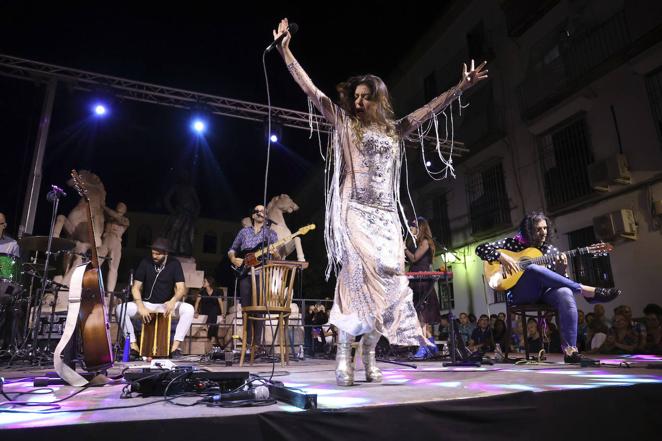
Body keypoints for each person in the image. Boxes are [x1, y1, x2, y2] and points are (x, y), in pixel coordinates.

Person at [273, 17, 487, 386]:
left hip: (386, 214)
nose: (356, 101)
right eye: (354, 96)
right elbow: (313, 92)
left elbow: (429, 110)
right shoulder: (343, 122)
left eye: (363, 96)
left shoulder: (395, 129)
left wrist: (459, 87)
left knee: (390, 280)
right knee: (361, 273)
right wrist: (285, 50)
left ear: (377, 98)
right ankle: (343, 356)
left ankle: (369, 352)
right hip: (354, 209)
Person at [475, 211, 621, 363]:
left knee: (565, 292)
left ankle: (571, 351)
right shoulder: (511, 244)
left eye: (545, 228)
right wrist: (501, 256)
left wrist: (562, 270)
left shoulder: (550, 251)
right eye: (538, 229)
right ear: (528, 230)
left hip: (544, 293)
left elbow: (560, 281)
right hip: (520, 293)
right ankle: (585, 290)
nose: (543, 232)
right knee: (531, 268)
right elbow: (480, 249)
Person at [115, 237, 193, 358]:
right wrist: (140, 306)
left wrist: (173, 301)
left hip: (166, 306)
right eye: (153, 253)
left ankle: (175, 348)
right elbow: (135, 287)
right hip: (146, 305)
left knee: (189, 309)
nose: (154, 256)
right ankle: (133, 347)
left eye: (158, 254)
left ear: (166, 253)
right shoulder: (145, 262)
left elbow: (181, 288)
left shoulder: (174, 263)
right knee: (120, 309)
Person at [228, 204, 280, 349]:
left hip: (262, 274)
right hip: (245, 274)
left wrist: (275, 253)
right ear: (253, 215)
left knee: (260, 309)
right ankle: (247, 342)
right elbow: (232, 249)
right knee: (246, 308)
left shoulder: (271, 234)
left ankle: (257, 344)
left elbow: (278, 257)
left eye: (263, 211)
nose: (260, 213)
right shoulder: (244, 232)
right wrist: (233, 259)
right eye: (257, 211)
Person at [405, 217, 441, 359]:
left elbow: (414, 258)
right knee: (418, 317)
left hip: (422, 282)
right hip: (416, 280)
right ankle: (431, 347)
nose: (411, 229)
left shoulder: (425, 241)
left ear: (421, 228)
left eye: (413, 227)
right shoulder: (417, 242)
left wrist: (404, 249)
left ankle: (423, 347)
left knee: (421, 318)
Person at [100, 202, 130, 292]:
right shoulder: (109, 218)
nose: (120, 206)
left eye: (123, 206)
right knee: (96, 264)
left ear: (125, 211)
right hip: (105, 241)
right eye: (119, 205)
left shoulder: (125, 220)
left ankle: (110, 293)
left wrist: (103, 206)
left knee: (113, 268)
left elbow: (117, 218)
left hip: (116, 242)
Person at [194, 276, 226, 346]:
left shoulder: (217, 291)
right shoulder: (202, 291)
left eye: (204, 281)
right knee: (213, 312)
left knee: (214, 309)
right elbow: (197, 302)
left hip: (215, 310)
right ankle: (212, 336)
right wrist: (195, 312)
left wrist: (223, 313)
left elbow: (220, 303)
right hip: (205, 310)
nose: (203, 283)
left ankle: (207, 326)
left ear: (209, 283)